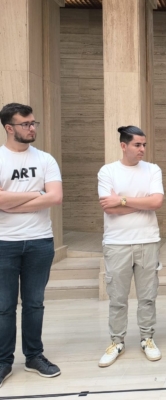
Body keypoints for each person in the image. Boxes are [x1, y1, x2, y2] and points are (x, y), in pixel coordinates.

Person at [0, 103, 63, 388]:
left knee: (34, 304)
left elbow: (55, 197)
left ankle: (34, 356)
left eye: (34, 123)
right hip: (4, 243)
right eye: (25, 124)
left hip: (40, 241)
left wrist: (11, 200)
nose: (32, 128)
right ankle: (3, 361)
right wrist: (35, 193)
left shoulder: (46, 159)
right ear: (9, 128)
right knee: (4, 306)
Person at [97, 126, 164, 367]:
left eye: (144, 145)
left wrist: (122, 199)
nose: (142, 149)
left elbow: (157, 201)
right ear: (123, 145)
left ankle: (147, 338)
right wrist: (142, 203)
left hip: (148, 240)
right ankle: (117, 341)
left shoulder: (153, 169)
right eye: (137, 145)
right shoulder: (107, 171)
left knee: (148, 296)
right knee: (117, 298)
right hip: (116, 243)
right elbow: (109, 207)